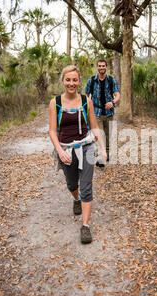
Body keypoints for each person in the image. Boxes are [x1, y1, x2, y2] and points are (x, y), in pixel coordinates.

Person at [49, 65, 107, 244]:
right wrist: (60, 151)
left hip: (86, 146)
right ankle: (77, 199)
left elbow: (95, 127)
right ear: (63, 81)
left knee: (87, 185)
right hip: (65, 149)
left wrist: (103, 149)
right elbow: (52, 131)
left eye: (75, 80)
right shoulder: (55, 102)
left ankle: (86, 226)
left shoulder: (85, 101)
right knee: (72, 184)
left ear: (79, 81)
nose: (71, 83)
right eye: (68, 80)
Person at [84, 59, 120, 166]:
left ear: (106, 67)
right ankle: (100, 158)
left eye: (103, 66)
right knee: (99, 135)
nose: (101, 68)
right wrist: (88, 105)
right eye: (99, 66)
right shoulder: (91, 80)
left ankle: (106, 154)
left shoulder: (111, 80)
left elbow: (117, 95)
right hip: (96, 112)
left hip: (109, 113)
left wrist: (112, 102)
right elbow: (85, 95)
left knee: (108, 135)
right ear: (97, 67)